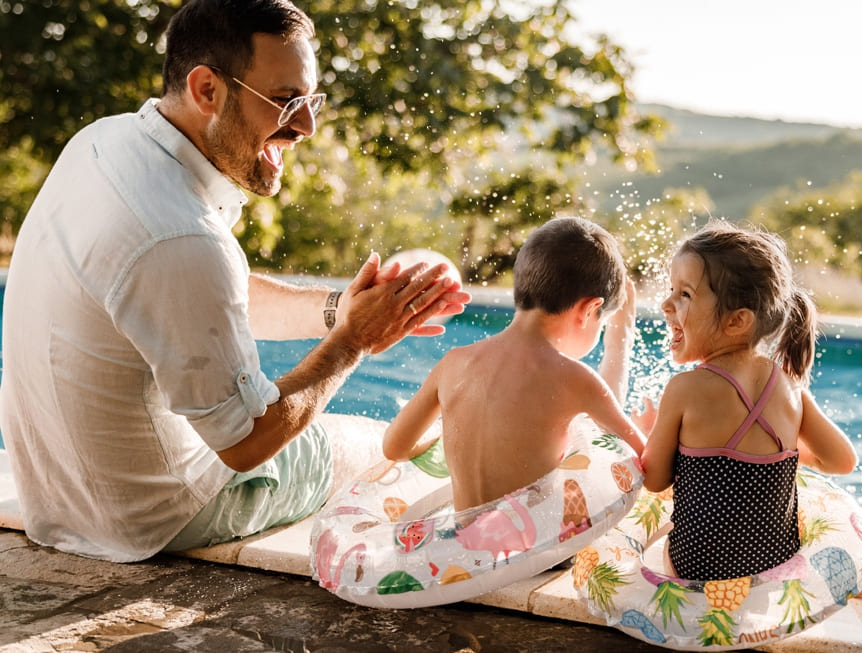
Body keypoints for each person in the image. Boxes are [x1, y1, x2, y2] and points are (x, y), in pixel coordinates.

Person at [0, 0, 470, 563]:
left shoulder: (104, 144)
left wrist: (339, 307)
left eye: (311, 99)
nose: (307, 127)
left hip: (61, 502)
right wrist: (352, 342)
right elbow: (245, 444)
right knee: (377, 444)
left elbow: (210, 299)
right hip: (154, 517)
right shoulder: (180, 238)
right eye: (286, 101)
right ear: (207, 91)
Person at [640, 219, 858, 581]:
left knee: (651, 529)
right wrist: (781, 451)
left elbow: (655, 480)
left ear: (737, 320)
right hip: (771, 569)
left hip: (695, 569)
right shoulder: (790, 387)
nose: (666, 304)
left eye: (685, 295)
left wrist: (653, 433)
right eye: (671, 290)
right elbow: (842, 461)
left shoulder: (684, 389)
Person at [382, 217, 646, 513]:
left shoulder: (453, 363)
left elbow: (394, 447)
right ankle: (621, 340)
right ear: (589, 310)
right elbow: (641, 459)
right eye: (605, 323)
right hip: (536, 557)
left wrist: (445, 448)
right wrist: (645, 430)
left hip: (461, 550)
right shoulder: (574, 379)